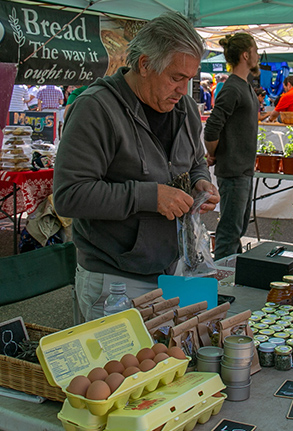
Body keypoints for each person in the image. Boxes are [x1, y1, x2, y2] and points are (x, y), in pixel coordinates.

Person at [53, 11, 219, 321]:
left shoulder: (183, 107)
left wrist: (200, 182)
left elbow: (196, 160)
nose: (184, 89)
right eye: (176, 77)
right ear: (144, 64)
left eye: (189, 79)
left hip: (173, 269)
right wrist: (150, 196)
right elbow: (69, 195)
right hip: (114, 280)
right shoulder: (96, 108)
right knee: (117, 367)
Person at [203, 33, 259, 260]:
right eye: (255, 50)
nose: (257, 55)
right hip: (234, 171)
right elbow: (212, 127)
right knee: (229, 233)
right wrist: (213, 154)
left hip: (242, 170)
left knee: (236, 231)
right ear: (246, 54)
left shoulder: (242, 85)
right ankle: (222, 286)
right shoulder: (232, 87)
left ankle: (230, 278)